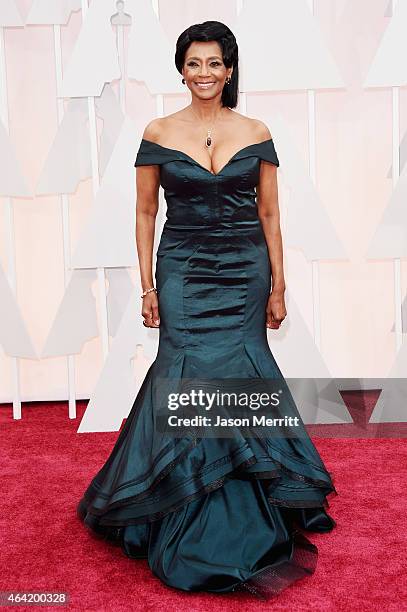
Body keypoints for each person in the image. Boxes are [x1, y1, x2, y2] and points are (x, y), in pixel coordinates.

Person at [77, 20, 337, 599]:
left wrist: (279, 285)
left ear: (230, 69)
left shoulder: (256, 130)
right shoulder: (158, 130)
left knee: (241, 370)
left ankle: (245, 505)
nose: (204, 74)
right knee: (184, 369)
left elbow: (270, 214)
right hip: (183, 271)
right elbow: (146, 213)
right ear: (181, 69)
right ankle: (177, 500)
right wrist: (146, 284)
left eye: (214, 63)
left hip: (245, 271)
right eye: (194, 63)